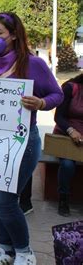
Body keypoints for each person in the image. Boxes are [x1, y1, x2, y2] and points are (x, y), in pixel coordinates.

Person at [0, 12, 63, 265]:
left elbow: (57, 95)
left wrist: (41, 102)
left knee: (5, 201)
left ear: (14, 35)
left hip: (23, 142)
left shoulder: (33, 63)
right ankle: (5, 250)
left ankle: (25, 252)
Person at [53, 72, 83, 217]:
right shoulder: (71, 88)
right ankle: (63, 199)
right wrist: (72, 131)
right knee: (67, 164)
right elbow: (58, 116)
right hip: (66, 136)